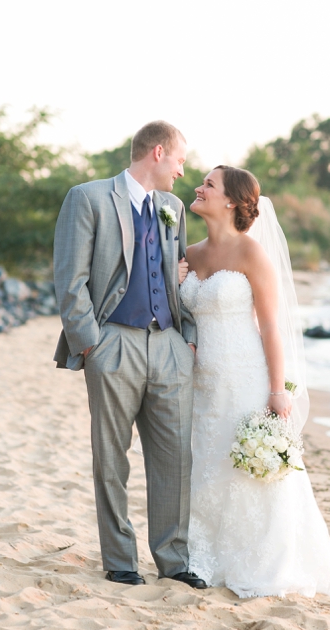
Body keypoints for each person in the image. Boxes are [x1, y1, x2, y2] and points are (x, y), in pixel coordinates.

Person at [52, 121, 207, 589]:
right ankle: (121, 560)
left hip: (169, 346)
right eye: (180, 159)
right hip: (112, 342)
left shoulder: (173, 208)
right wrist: (91, 343)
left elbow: (179, 278)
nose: (183, 170)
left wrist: (189, 337)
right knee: (111, 456)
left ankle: (173, 561)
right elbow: (70, 278)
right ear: (158, 153)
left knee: (176, 457)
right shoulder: (89, 198)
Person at [178, 165, 330, 598]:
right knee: (207, 465)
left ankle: (263, 560)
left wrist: (276, 390)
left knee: (250, 468)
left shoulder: (252, 254)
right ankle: (205, 557)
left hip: (245, 376)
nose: (199, 188)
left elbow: (272, 326)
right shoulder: (189, 255)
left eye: (208, 184)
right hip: (201, 382)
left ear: (231, 201)